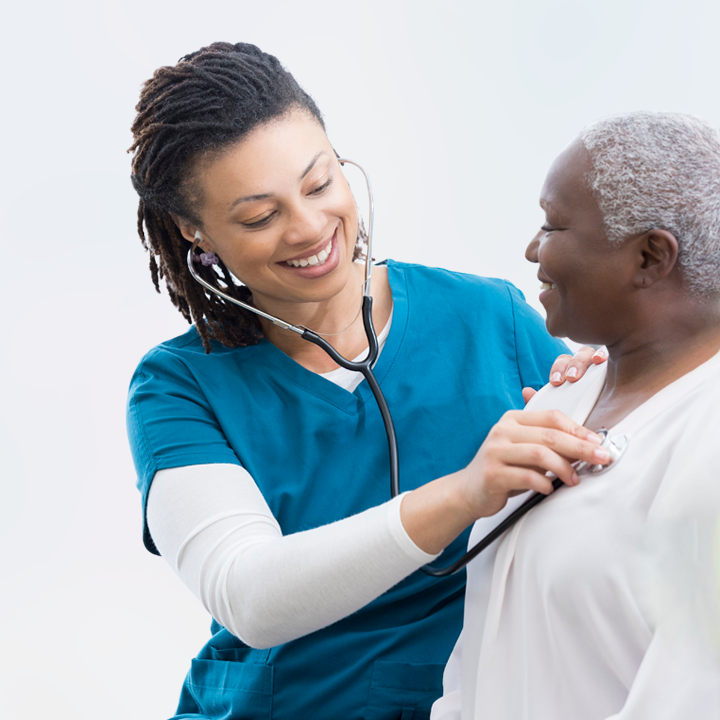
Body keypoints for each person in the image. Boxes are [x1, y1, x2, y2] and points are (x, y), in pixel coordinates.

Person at [126, 42, 607, 720]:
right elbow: (251, 598)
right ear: (195, 233)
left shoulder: (488, 319)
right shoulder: (178, 387)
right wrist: (467, 490)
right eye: (260, 217)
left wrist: (604, 398)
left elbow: (611, 497)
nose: (310, 227)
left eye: (320, 183)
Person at [431, 111, 720, 720]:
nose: (532, 249)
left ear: (649, 257)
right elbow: (482, 648)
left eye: (553, 225)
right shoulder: (564, 396)